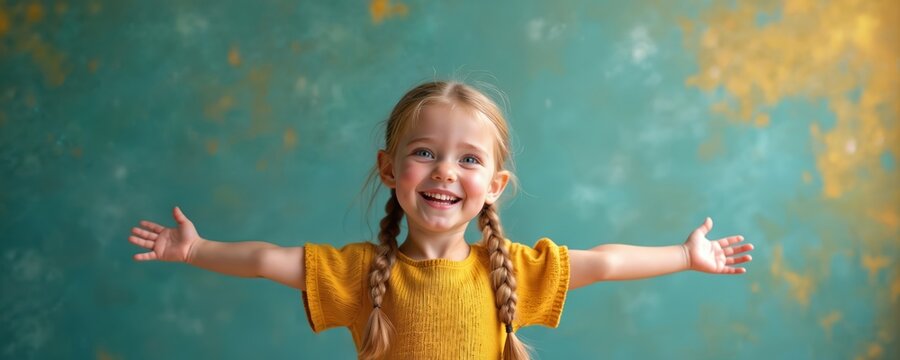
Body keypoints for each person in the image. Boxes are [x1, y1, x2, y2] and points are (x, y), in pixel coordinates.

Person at [128, 81, 754, 360]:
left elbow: (607, 261)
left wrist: (683, 254)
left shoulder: (509, 271)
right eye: (425, 152)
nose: (445, 173)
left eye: (468, 159)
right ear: (388, 167)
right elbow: (269, 261)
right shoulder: (359, 274)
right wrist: (196, 249)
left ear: (495, 187)